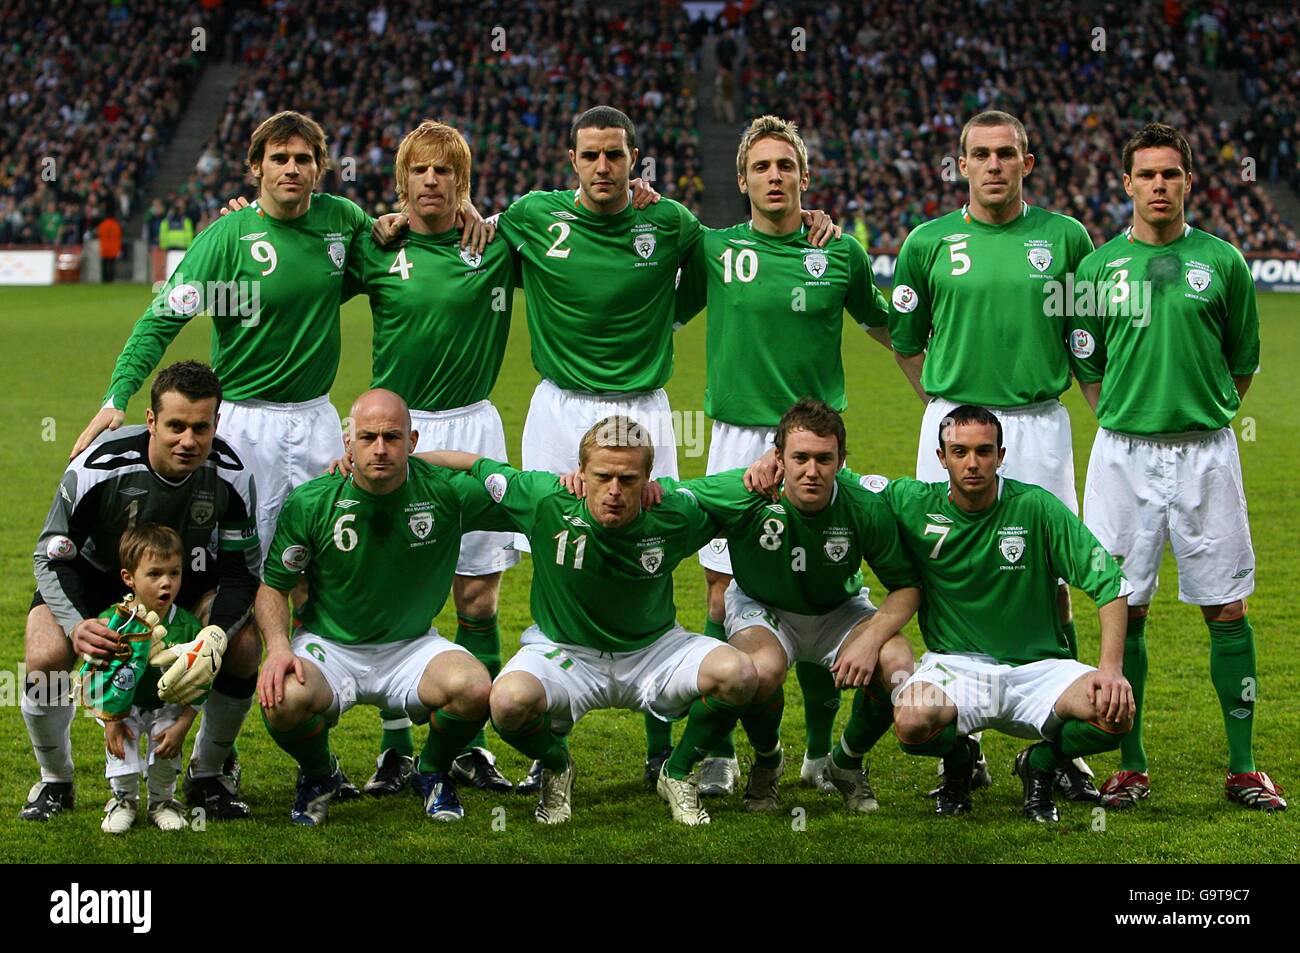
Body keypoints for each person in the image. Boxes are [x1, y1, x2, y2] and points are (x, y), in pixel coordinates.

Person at [1068, 122, 1284, 812]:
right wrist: (1127, 413)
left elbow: (1242, 361)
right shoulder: (1099, 268)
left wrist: (1201, 410)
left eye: (1171, 174)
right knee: (1124, 610)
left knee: (1226, 606)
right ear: (1126, 183)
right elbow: (1087, 361)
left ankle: (1244, 767)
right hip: (1122, 457)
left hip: (1206, 454)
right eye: (1147, 175)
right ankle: (1129, 764)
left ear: (1189, 180)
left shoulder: (1223, 263)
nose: (1159, 185)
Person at [675, 115, 892, 795]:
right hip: (740, 435)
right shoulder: (714, 248)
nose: (775, 177)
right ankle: (722, 750)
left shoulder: (842, 254)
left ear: (804, 176)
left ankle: (822, 753)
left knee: (823, 584)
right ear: (741, 180)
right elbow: (653, 278)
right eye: (762, 168)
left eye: (786, 166)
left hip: (816, 443)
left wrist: (945, 382)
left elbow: (889, 326)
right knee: (722, 589)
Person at [888, 110, 1099, 801]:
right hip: (953, 421)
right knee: (942, 563)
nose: (995, 165)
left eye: (1007, 153)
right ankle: (964, 735)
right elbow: (906, 337)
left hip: (1038, 423)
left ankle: (1057, 735)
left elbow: (1084, 336)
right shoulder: (928, 241)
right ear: (962, 164)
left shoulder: (1066, 238)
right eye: (981, 154)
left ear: (1027, 163)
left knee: (1055, 573)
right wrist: (944, 410)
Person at [417, 417, 758, 825]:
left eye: (628, 479)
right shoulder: (545, 498)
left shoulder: (674, 511)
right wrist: (404, 456)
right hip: (565, 653)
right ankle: (558, 765)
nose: (614, 491)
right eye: (602, 476)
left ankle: (678, 771)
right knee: (506, 703)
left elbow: (747, 485)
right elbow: (474, 464)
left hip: (653, 652)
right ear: (580, 473)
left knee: (739, 674)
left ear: (651, 479)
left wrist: (774, 459)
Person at [342, 120, 520, 796]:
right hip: (395, 434)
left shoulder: (498, 244)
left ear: (463, 183)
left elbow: (579, 217)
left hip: (474, 428)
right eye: (419, 170)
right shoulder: (375, 247)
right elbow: (307, 242)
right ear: (401, 181)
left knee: (476, 595)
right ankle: (393, 749)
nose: (431, 181)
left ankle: (466, 746)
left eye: (445, 171)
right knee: (392, 594)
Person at [23, 361, 260, 822]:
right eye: (175, 426)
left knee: (245, 647)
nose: (188, 441)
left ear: (216, 424)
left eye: (200, 427)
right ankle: (55, 781)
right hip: (93, 577)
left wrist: (214, 637)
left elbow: (240, 573)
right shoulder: (97, 465)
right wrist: (76, 626)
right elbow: (51, 555)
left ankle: (208, 776)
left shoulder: (232, 475)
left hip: (183, 580)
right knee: (44, 655)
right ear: (150, 421)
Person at [659, 400, 920, 813]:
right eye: (800, 458)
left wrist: (871, 640)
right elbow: (672, 495)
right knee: (759, 672)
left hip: (840, 610)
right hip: (765, 608)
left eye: (823, 459)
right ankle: (768, 761)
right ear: (777, 457)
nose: (811, 471)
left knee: (898, 664)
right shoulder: (747, 491)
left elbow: (906, 587)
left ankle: (846, 763)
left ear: (841, 460)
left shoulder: (864, 505)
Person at [255, 389, 498, 827]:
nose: (380, 449)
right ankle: (319, 775)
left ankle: (432, 771)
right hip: (330, 646)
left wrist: (577, 484)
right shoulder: (312, 501)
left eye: (392, 436)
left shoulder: (445, 493)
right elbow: (274, 585)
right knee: (282, 699)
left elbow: (527, 497)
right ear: (347, 442)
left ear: (413, 440)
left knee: (476, 690)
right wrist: (277, 647)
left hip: (412, 648)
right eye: (367, 437)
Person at [884, 406, 1133, 821]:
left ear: (1001, 455)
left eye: (984, 451)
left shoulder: (1036, 507)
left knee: (1114, 714)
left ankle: (1042, 763)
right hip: (956, 667)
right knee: (911, 722)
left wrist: (1110, 669)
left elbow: (1111, 584)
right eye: (959, 452)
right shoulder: (913, 503)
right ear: (941, 457)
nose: (972, 463)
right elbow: (841, 482)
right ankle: (960, 758)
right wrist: (773, 462)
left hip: (1038, 669)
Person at [81, 525, 207, 834]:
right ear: (129, 577)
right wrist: (111, 718)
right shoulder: (114, 621)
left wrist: (184, 722)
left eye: (174, 573)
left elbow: (202, 680)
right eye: (154, 574)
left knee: (166, 749)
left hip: (168, 708)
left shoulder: (189, 626)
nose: (167, 583)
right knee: (122, 746)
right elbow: (100, 673)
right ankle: (123, 801)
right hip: (123, 708)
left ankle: (162, 801)